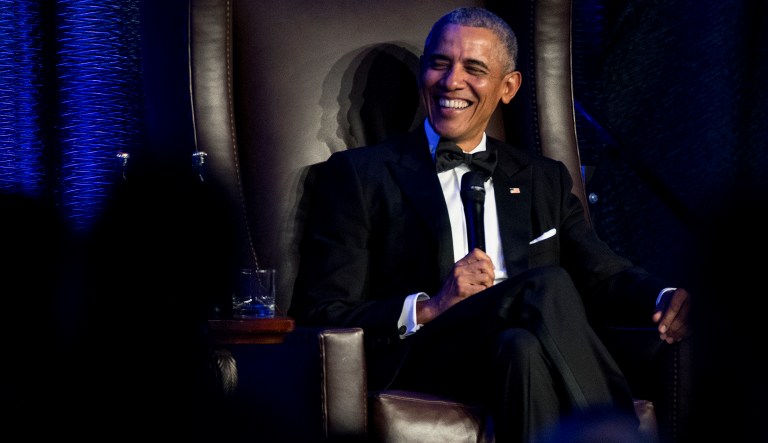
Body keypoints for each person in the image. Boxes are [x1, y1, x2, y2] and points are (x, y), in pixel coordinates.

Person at [289, 6, 691, 443]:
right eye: (439, 63)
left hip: (514, 356)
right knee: (547, 286)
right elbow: (320, 312)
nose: (451, 81)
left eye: (474, 69)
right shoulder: (360, 176)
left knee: (522, 347)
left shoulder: (542, 177)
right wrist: (430, 305)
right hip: (423, 357)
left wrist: (666, 295)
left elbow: (602, 272)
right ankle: (619, 433)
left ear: (508, 87)